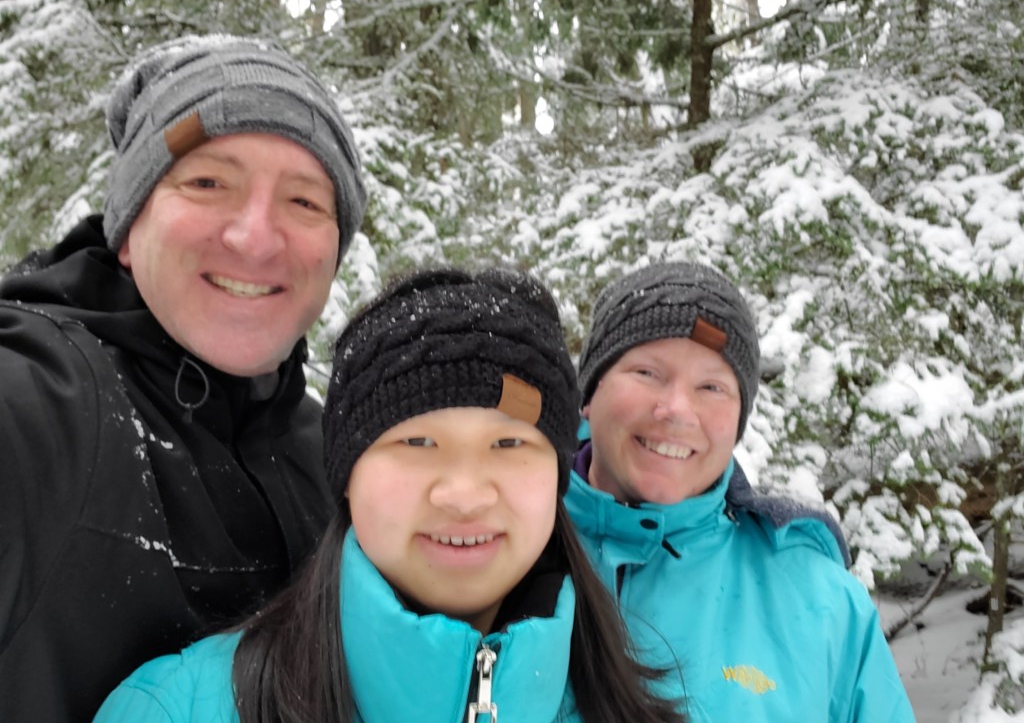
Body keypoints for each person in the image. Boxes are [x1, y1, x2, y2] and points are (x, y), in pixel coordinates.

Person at [91, 267, 685, 723]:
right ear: (347, 477)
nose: (464, 494)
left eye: (508, 444)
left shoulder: (647, 710)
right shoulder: (178, 709)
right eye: (417, 442)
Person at [0, 34, 367, 723]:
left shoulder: (335, 458)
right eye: (207, 183)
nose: (255, 238)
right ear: (129, 227)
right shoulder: (37, 403)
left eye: (304, 202)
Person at [566, 261, 916, 722]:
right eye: (647, 372)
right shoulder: (506, 551)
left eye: (711, 386)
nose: (677, 409)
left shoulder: (824, 604)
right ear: (589, 394)